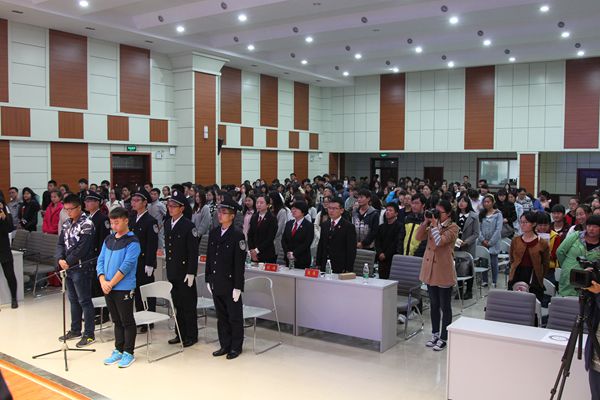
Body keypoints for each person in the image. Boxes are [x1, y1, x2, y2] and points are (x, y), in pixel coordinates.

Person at [96, 207, 140, 368]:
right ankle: (118, 349)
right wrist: (102, 280)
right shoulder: (109, 239)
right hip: (107, 286)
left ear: (126, 220)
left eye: (117, 222)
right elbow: (100, 260)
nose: (114, 226)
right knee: (116, 320)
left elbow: (127, 265)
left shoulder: (132, 241)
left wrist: (111, 283)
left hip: (123, 287)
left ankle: (129, 352)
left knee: (126, 320)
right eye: (112, 223)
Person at [205, 198, 246, 360]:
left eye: (224, 212)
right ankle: (224, 344)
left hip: (230, 283)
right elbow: (210, 257)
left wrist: (238, 286)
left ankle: (236, 347)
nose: (220, 215)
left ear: (232, 216)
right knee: (221, 316)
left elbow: (239, 264)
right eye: (219, 211)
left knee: (234, 317)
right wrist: (208, 278)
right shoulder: (214, 232)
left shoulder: (237, 235)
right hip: (217, 280)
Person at [417, 200, 459, 352]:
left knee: (444, 306)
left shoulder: (453, 227)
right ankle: (435, 333)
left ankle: (444, 337)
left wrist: (434, 226)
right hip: (430, 269)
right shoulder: (432, 225)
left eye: (439, 212)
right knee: (434, 304)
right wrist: (425, 222)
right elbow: (418, 237)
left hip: (443, 270)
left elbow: (440, 241)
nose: (436, 215)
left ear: (448, 213)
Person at [55, 194, 96, 347]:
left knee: (84, 300)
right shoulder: (67, 223)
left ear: (79, 207)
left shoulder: (87, 224)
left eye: (71, 209)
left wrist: (68, 261)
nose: (68, 212)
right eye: (66, 209)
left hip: (81, 267)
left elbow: (83, 248)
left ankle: (89, 334)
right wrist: (60, 259)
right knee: (73, 299)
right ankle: (75, 329)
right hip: (68, 268)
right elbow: (60, 243)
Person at [164, 189, 199, 347]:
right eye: (169, 205)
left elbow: (193, 252)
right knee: (177, 304)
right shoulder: (168, 223)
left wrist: (191, 272)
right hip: (173, 271)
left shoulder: (188, 226)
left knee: (188, 306)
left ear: (182, 208)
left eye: (174, 206)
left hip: (185, 272)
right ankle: (180, 333)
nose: (170, 208)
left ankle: (191, 335)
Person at [129, 190, 159, 333]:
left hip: (144, 261)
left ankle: (149, 319)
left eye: (137, 200)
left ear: (145, 202)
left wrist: (150, 263)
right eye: (133, 200)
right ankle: (140, 317)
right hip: (133, 261)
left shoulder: (150, 221)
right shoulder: (132, 218)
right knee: (136, 291)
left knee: (146, 291)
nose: (133, 203)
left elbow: (152, 244)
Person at [508, 212, 550, 302]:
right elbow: (512, 258)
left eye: (526, 222)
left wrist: (540, 275)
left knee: (533, 303)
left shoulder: (542, 243)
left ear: (534, 224)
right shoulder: (515, 240)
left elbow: (545, 263)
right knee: (515, 302)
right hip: (517, 274)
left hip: (534, 276)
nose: (522, 225)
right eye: (521, 222)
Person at [558, 215, 600, 297]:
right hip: (569, 278)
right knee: (565, 301)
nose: (591, 229)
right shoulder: (576, 235)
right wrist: (567, 266)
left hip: (590, 283)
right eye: (589, 226)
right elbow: (560, 252)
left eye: (595, 226)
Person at [85, 192, 110, 324]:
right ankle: (93, 312)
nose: (87, 203)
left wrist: (100, 259)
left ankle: (103, 314)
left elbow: (103, 241)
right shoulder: (87, 218)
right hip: (88, 257)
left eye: (90, 201)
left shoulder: (102, 218)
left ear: (97, 203)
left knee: (99, 287)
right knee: (90, 287)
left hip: (97, 257)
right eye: (86, 201)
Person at [316, 197, 357, 273]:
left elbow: (351, 250)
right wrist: (318, 263)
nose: (331, 211)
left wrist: (348, 268)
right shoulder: (325, 225)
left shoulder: (348, 227)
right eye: (329, 208)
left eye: (334, 208)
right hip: (324, 264)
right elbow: (321, 245)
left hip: (340, 266)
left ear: (341, 210)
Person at [454, 195, 480, 300]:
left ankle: (469, 291)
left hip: (468, 246)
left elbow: (476, 233)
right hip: (456, 245)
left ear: (468, 203)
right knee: (457, 267)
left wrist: (466, 242)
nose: (461, 203)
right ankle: (459, 290)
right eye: (459, 201)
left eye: (464, 201)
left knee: (469, 268)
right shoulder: (454, 215)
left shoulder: (474, 216)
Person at [478, 194, 504, 288]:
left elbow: (498, 229)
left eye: (488, 202)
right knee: (483, 261)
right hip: (483, 242)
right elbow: (478, 228)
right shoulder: (481, 214)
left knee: (494, 262)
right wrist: (482, 239)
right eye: (485, 202)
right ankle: (484, 280)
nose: (486, 203)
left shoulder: (498, 214)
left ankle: (494, 281)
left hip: (494, 242)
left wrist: (491, 242)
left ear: (493, 202)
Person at [281, 201, 314, 269]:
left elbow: (307, 243)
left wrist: (294, 254)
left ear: (303, 211)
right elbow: (283, 240)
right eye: (293, 209)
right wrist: (288, 252)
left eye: (296, 209)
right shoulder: (289, 223)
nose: (293, 211)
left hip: (302, 259)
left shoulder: (309, 225)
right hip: (288, 258)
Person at [375, 203, 404, 279]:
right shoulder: (381, 227)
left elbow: (396, 242)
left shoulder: (400, 226)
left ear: (396, 213)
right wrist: (380, 253)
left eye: (390, 210)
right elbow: (377, 241)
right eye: (387, 210)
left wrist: (386, 254)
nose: (387, 212)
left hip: (392, 257)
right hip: (381, 258)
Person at [247, 195, 278, 263]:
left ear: (267, 205)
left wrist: (256, 250)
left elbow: (270, 238)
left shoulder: (272, 218)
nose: (258, 205)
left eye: (261, 203)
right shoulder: (254, 217)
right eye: (257, 202)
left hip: (266, 253)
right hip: (253, 254)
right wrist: (252, 250)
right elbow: (250, 234)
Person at [0, 193, 18, 308]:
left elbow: (10, 229)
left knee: (10, 274)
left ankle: (14, 298)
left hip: (4, 248)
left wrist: (4, 218)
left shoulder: (6, 214)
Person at [536, 212, 562, 285]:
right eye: (540, 225)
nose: (542, 227)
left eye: (545, 225)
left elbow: (555, 254)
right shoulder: (533, 234)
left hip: (549, 268)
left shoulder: (555, 236)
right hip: (535, 266)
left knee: (549, 287)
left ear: (549, 224)